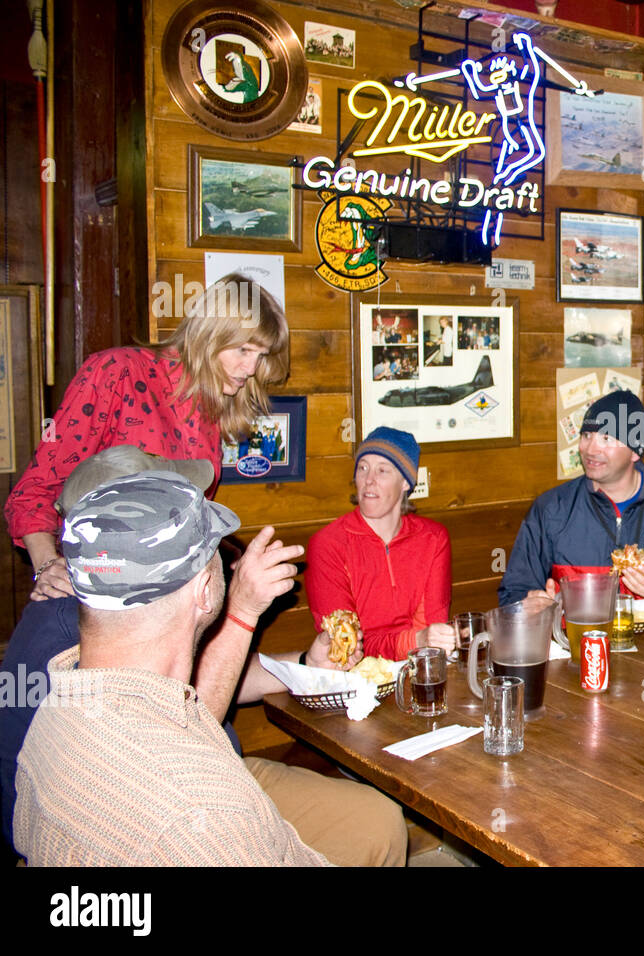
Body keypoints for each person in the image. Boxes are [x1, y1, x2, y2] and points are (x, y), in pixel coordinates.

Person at [0, 447, 407, 866]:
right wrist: (243, 612)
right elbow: (188, 746)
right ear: (201, 589)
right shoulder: (200, 815)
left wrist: (304, 663)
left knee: (377, 821)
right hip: (188, 797)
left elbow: (183, 693)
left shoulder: (80, 656)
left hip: (184, 779)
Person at [5, 273, 289, 602]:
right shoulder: (115, 371)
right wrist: (46, 566)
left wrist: (227, 550)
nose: (252, 368)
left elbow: (172, 512)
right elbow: (33, 493)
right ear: (209, 335)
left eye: (261, 355)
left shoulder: (210, 403)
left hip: (166, 602)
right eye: (243, 350)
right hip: (97, 592)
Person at [498, 390, 644, 605]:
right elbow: (514, 591)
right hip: (575, 639)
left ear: (635, 451)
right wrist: (528, 604)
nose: (591, 449)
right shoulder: (552, 508)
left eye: (606, 438)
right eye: (586, 436)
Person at [307, 427, 455, 661]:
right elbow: (345, 648)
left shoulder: (433, 538)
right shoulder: (328, 544)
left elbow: (431, 630)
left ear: (406, 483)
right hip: (353, 681)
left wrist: (421, 640)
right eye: (363, 468)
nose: (369, 480)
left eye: (383, 471)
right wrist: (414, 641)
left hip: (416, 672)